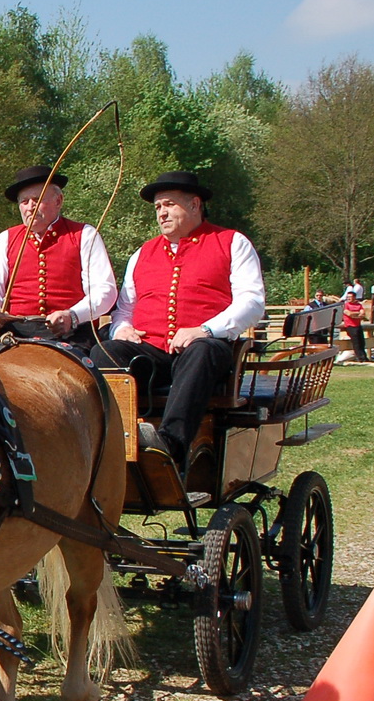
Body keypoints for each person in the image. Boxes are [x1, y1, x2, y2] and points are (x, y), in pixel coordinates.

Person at [92, 171, 266, 474]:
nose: (162, 213)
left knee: (201, 351)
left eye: (169, 204)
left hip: (207, 350)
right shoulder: (142, 254)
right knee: (104, 351)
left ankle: (168, 447)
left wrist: (205, 329)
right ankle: (114, 440)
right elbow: (124, 309)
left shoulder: (232, 243)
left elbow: (252, 302)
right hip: (151, 353)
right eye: (158, 207)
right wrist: (122, 328)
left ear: (195, 204)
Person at [0, 164, 117, 348]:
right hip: (13, 330)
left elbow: (104, 290)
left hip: (70, 332)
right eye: (24, 202)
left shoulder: (85, 235)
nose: (30, 208)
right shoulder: (6, 239)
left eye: (37, 200)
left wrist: (73, 315)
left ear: (58, 201)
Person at [341, 291, 367, 361]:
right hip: (350, 326)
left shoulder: (359, 305)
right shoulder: (346, 305)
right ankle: (360, 358)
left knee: (362, 342)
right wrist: (358, 313)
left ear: (354, 297)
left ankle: (364, 357)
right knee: (356, 343)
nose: (348, 298)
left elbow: (363, 314)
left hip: (358, 325)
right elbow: (349, 314)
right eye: (347, 297)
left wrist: (354, 314)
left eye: (350, 297)